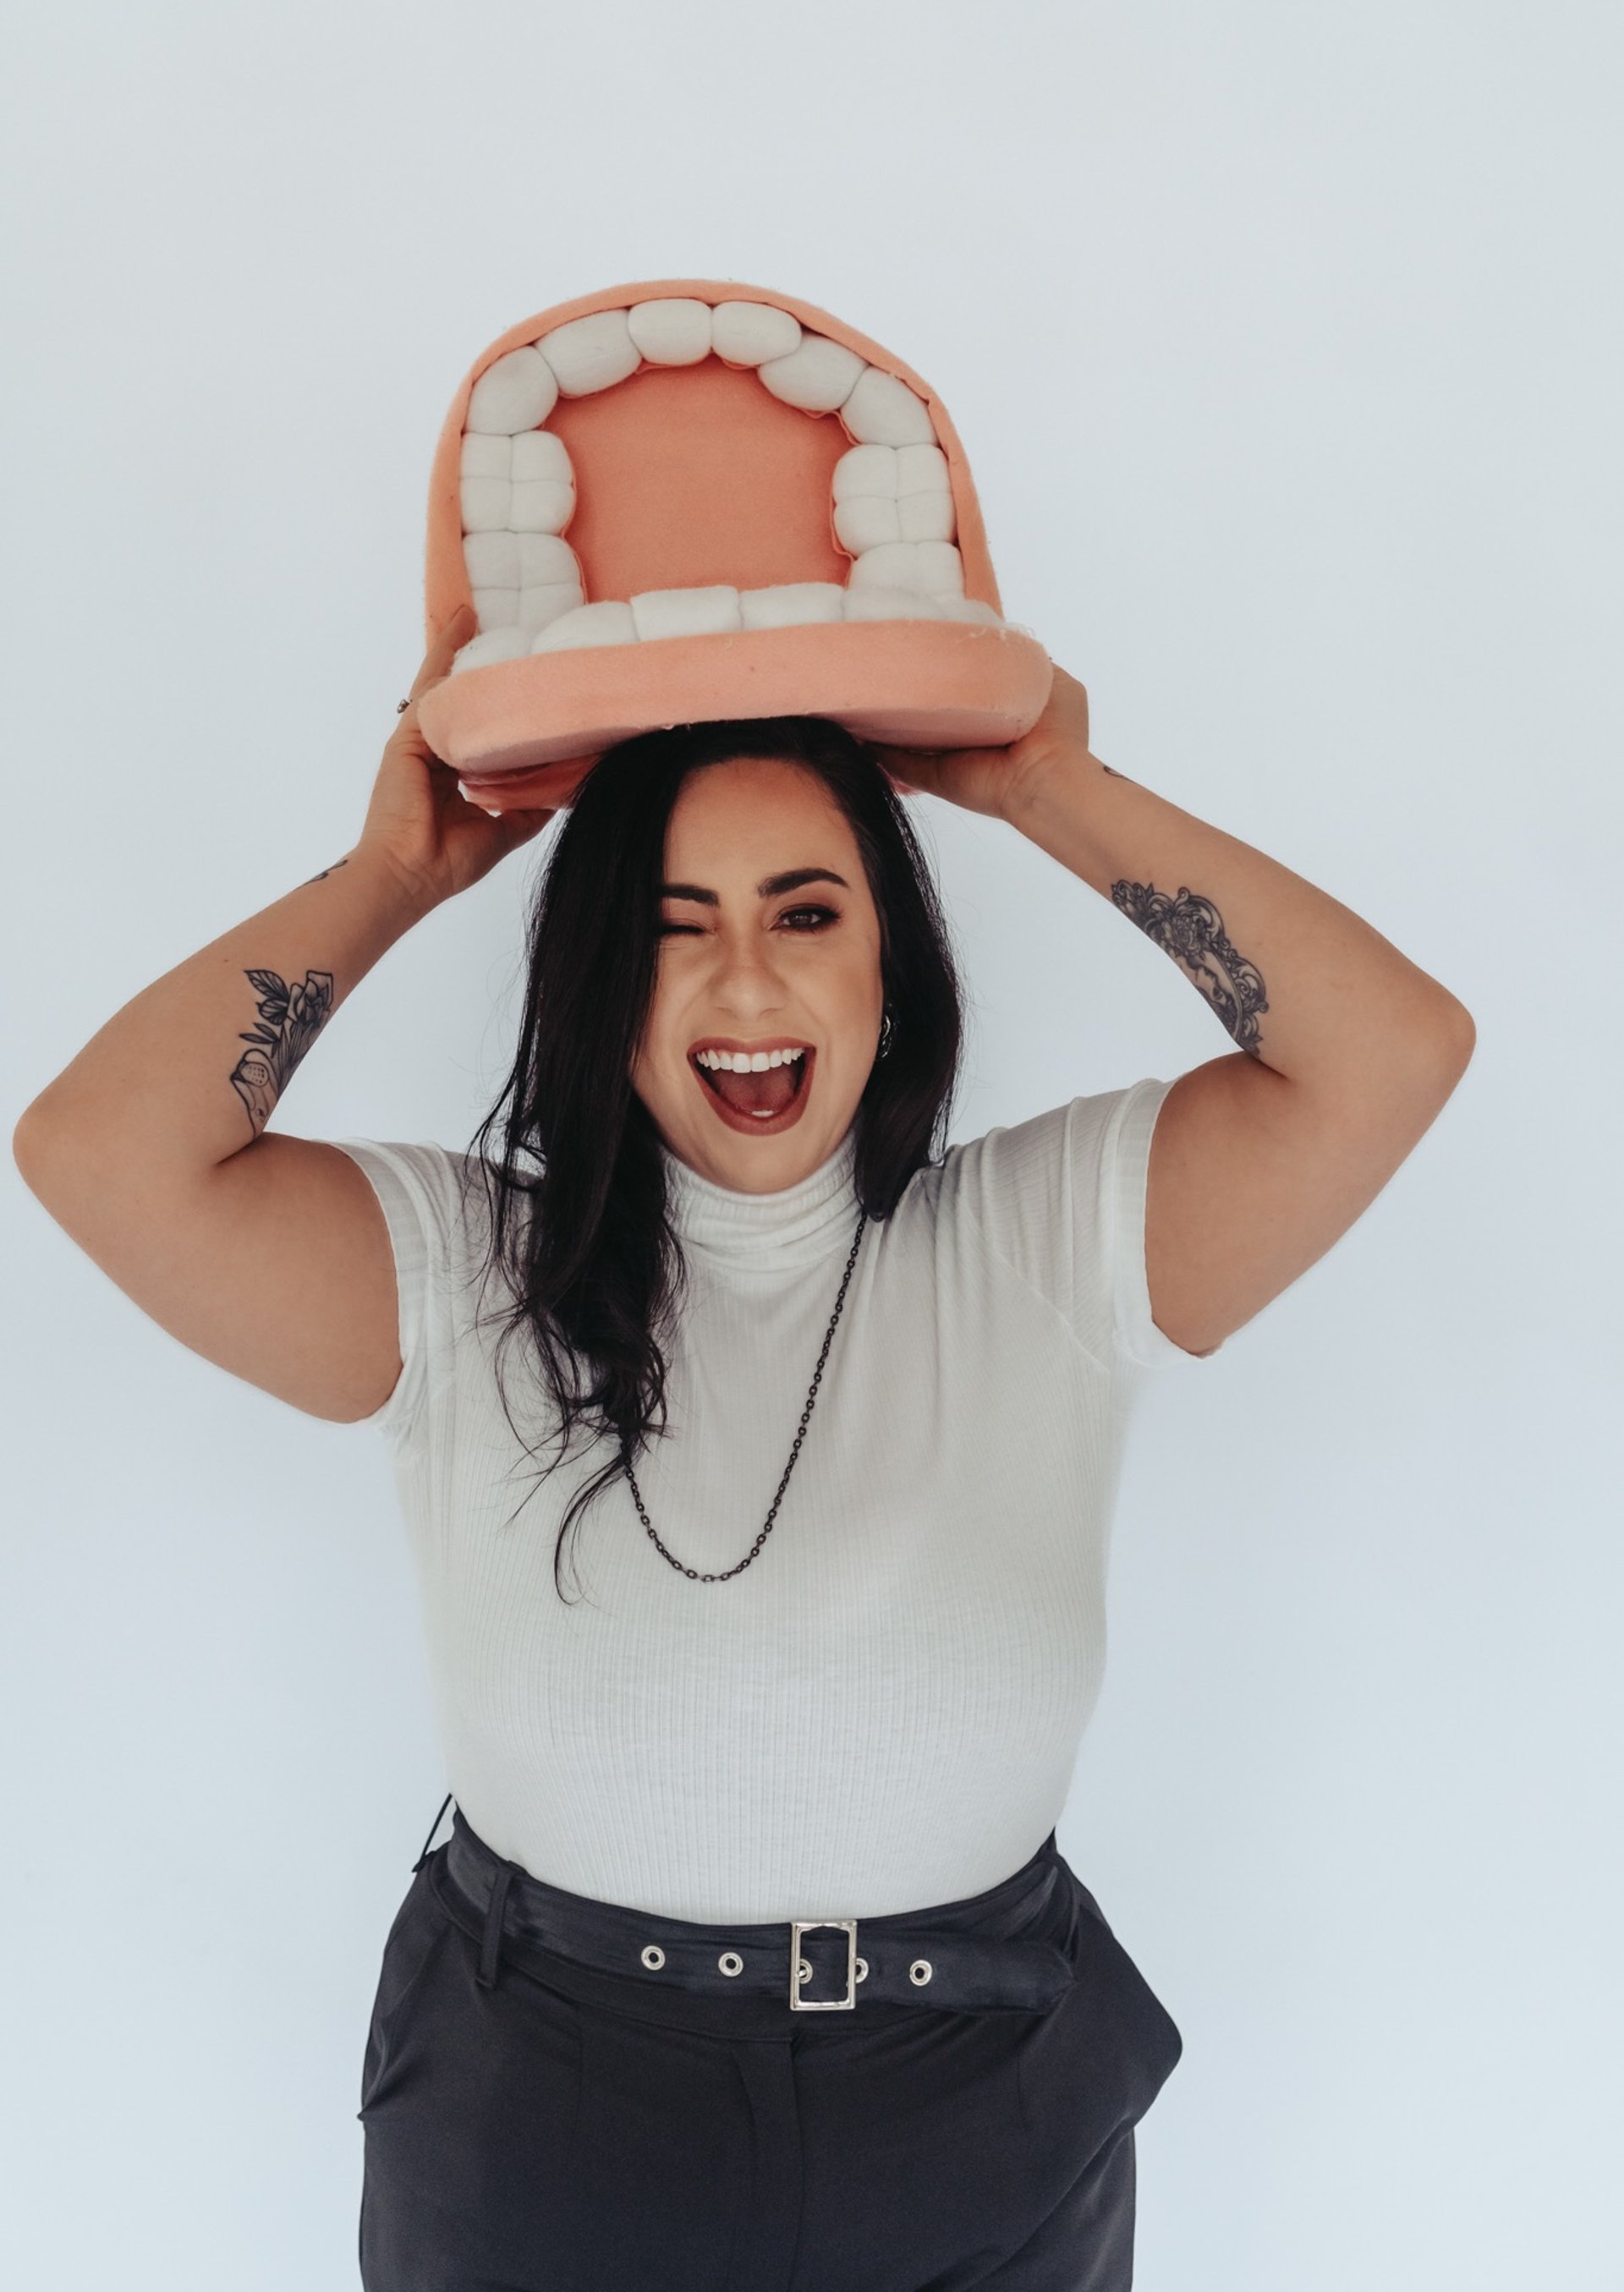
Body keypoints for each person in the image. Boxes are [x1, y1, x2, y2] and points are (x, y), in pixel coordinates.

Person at [13, 603, 1475, 2289]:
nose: (748, 985)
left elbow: (1392, 1050)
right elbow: (97, 1153)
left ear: (888, 965)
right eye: (672, 924)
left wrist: (1044, 784)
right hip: (546, 2103)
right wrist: (403, 873)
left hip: (977, 2098)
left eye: (808, 912)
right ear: (599, 976)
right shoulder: (457, 1266)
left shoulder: (1055, 1239)